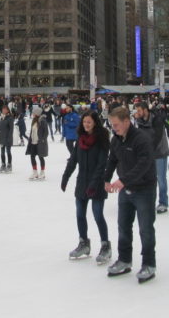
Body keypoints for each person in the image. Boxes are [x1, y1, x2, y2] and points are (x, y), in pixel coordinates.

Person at [103, 107, 157, 283]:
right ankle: (125, 260)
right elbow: (112, 159)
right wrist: (106, 179)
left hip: (144, 189)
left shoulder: (141, 139)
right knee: (123, 226)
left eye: (116, 124)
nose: (114, 128)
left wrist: (123, 180)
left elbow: (144, 164)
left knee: (145, 229)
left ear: (127, 121)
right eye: (112, 124)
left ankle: (149, 263)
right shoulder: (117, 139)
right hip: (125, 190)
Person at [61, 111, 111, 264]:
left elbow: (102, 164)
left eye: (89, 122)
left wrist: (94, 184)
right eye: (84, 122)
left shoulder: (102, 140)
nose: (86, 124)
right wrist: (65, 177)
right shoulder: (80, 139)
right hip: (82, 182)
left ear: (95, 122)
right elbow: (73, 160)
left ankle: (105, 246)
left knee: (97, 215)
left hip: (96, 184)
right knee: (80, 214)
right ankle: (84, 243)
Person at [26, 106, 49, 180]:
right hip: (33, 142)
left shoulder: (43, 121)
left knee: (40, 157)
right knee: (32, 157)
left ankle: (42, 172)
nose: (32, 114)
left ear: (37, 114)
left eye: (33, 113)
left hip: (40, 143)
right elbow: (32, 132)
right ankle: (35, 172)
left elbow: (46, 132)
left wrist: (42, 139)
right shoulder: (34, 121)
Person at [0, 105, 14, 173]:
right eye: (3, 109)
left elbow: (11, 130)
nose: (3, 110)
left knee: (8, 151)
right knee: (2, 152)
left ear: (8, 110)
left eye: (5, 109)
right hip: (2, 138)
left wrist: (9, 138)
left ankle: (9, 165)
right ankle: (3, 164)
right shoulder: (2, 118)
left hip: (7, 138)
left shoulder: (10, 118)